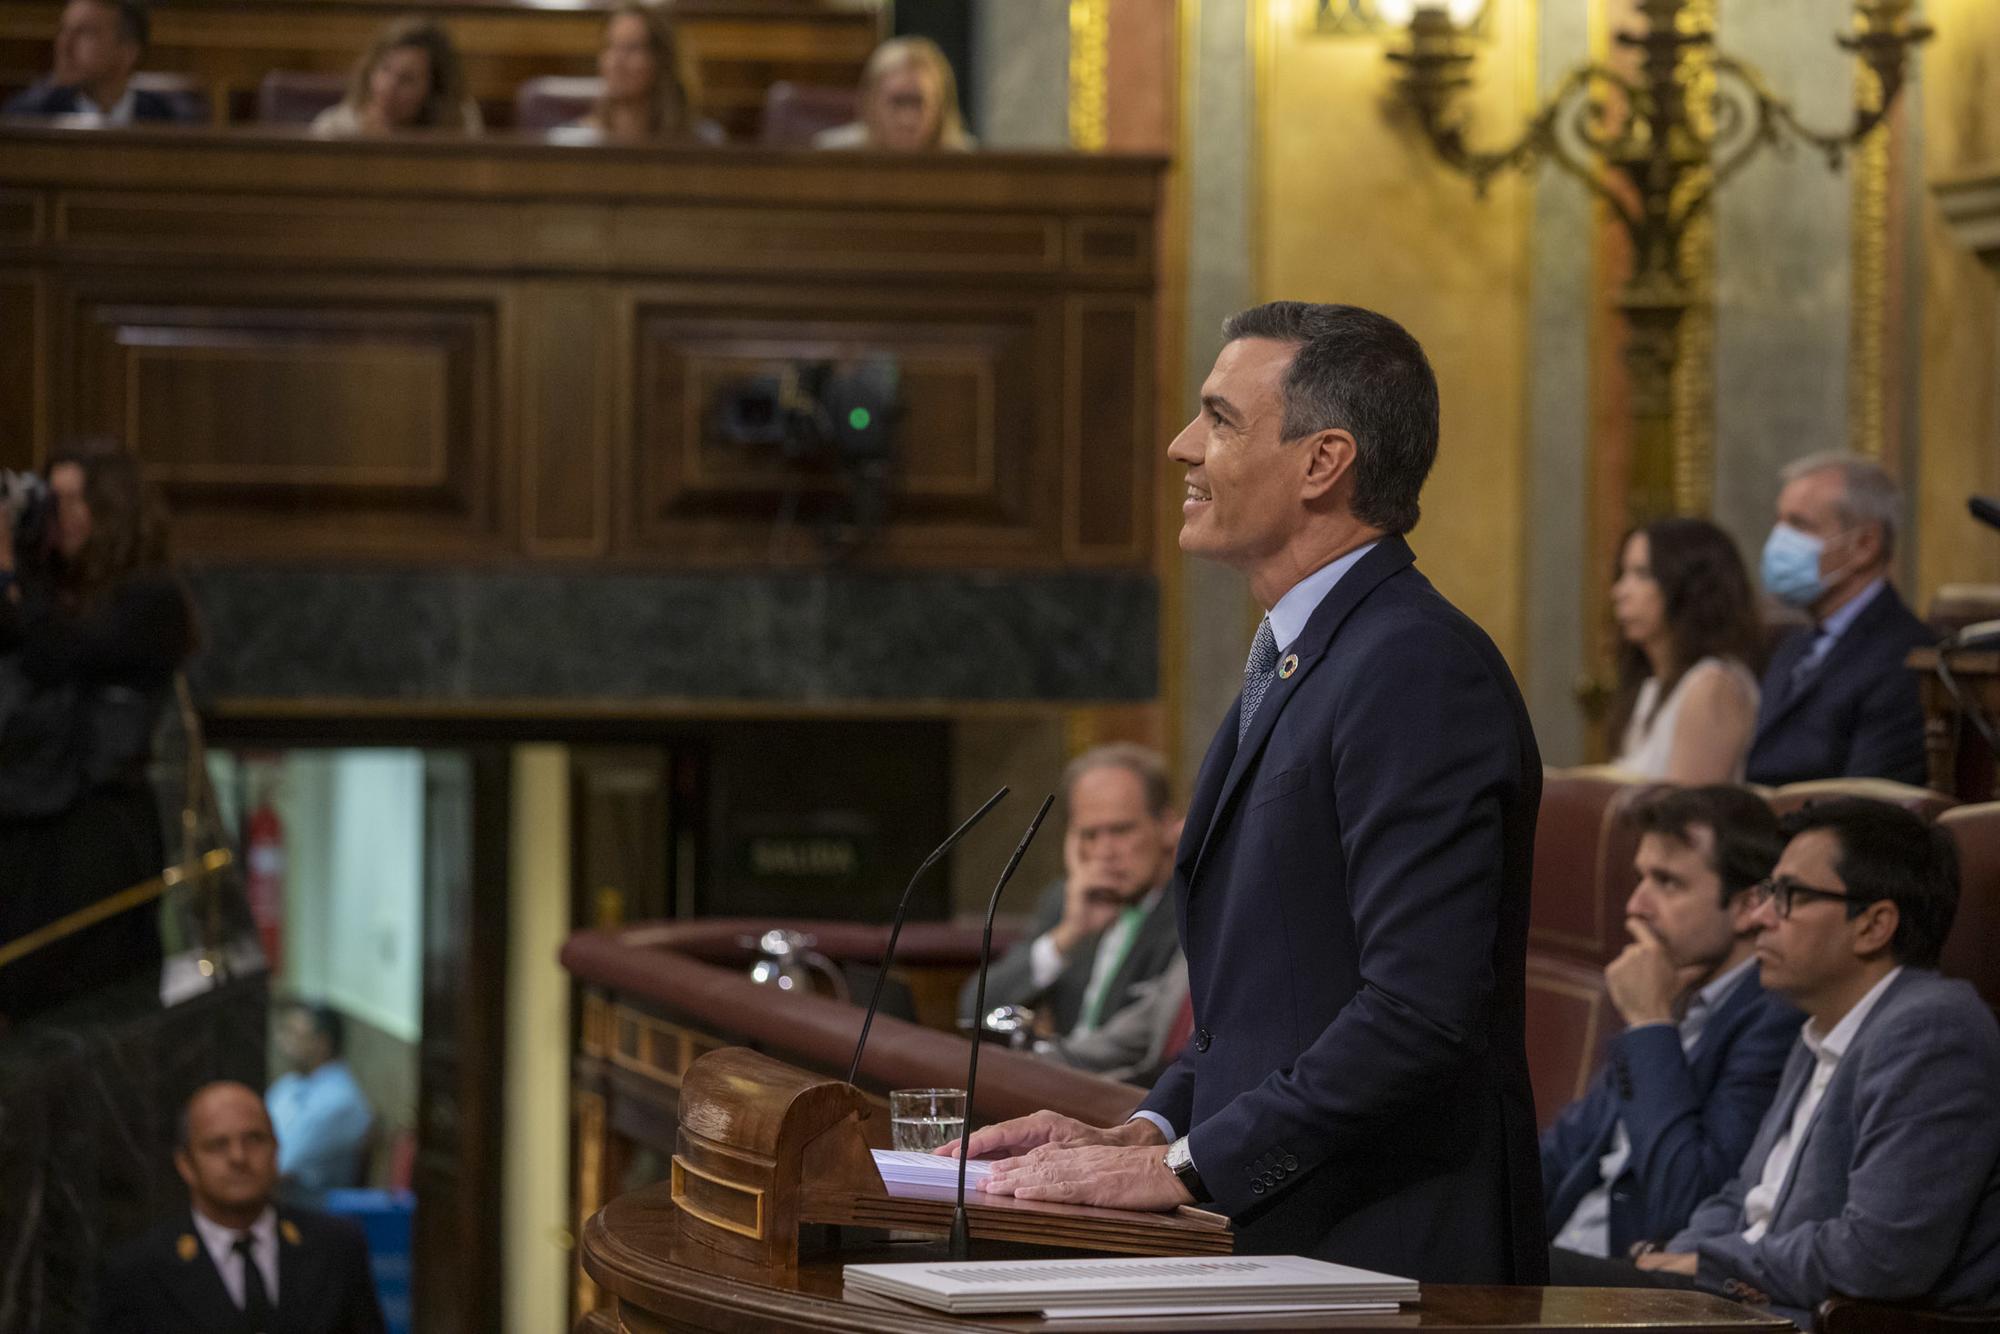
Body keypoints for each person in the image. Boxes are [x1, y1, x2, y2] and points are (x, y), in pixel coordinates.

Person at [943, 302, 1547, 1285]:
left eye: (1219, 419)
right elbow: (1260, 1012)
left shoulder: (1417, 669)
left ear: (1321, 463)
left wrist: (1185, 1165)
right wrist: (1145, 1127)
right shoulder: (1305, 649)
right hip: (1289, 1236)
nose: (1182, 446)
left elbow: (1417, 1012)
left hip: (1387, 1257)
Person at [1554, 799, 2000, 1327]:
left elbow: (1881, 1256)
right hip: (1742, 1304)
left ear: (1874, 925)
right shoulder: (1821, 1026)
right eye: (1769, 892)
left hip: (1807, 1319)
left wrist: (1707, 1264)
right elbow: (1741, 1195)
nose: (1761, 916)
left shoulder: (1933, 1030)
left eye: (1789, 896)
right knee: (1501, 1267)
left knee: (1522, 1274)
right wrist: (1675, 1262)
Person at [1542, 785, 1797, 1261]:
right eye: (1641, 878)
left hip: (1633, 1285)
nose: (1636, 905)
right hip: (1558, 1256)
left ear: (1747, 907)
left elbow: (1685, 1201)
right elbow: (1561, 1152)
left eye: (1668, 882)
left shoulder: (1774, 1019)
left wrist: (1649, 1022)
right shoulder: (1672, 989)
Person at [0, 441, 196, 1025]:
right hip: (31, 836)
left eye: (69, 501)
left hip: (99, 838)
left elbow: (51, 653)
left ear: (110, 509)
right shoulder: (47, 594)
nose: (56, 517)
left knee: (85, 1006)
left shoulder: (150, 601)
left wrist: (5, 564)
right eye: (47, 501)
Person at [93, 1081, 386, 1333]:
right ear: (186, 1164)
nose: (239, 1157)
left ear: (276, 1150)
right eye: (218, 1145)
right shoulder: (139, 1271)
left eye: (255, 1139)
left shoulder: (336, 1247)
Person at [957, 744, 1181, 1042]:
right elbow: (975, 1011)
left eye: (1121, 831)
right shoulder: (1066, 901)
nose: (1104, 851)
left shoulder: (1190, 911)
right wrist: (1068, 934)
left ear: (1165, 826)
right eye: (1089, 835)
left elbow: (1147, 1046)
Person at [1746, 454, 1933, 788]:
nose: (1778, 539)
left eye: (1799, 524)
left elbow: (1868, 804)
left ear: (1865, 544)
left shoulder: (1908, 655)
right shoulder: (1793, 646)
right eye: (1780, 522)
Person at [1607, 516, 1762, 783]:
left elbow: (1689, 811)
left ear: (1690, 586)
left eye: (1642, 574)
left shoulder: (1712, 684)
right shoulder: (1649, 684)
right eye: (1623, 573)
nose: (1620, 591)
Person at [1, 0, 196, 124]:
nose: (64, 45)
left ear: (128, 51)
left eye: (85, 33)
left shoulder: (169, 121)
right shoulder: (26, 118)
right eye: (64, 31)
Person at [563, 1, 722, 145]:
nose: (616, 61)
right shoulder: (571, 142)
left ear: (662, 60)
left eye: (633, 48)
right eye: (610, 46)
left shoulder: (703, 144)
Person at [268, 1001, 375, 1199]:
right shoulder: (292, 1081)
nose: (283, 1041)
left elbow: (281, 1166)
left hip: (311, 1206)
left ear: (322, 1043)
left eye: (294, 1034)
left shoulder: (340, 1103)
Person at [311, 16, 481, 137]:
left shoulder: (459, 121)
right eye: (385, 69)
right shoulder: (334, 128)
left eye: (407, 79)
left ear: (434, 89)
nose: (388, 87)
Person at [813, 36, 973, 152]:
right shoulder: (835, 158)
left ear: (940, 107)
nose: (907, 119)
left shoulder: (967, 165)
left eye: (918, 102)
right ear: (872, 103)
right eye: (897, 101)